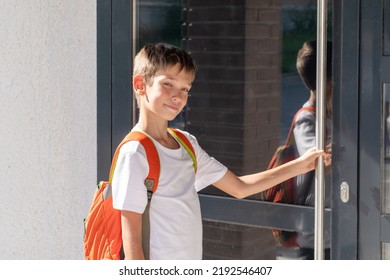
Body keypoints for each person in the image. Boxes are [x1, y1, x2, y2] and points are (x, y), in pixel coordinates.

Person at [111, 42, 327, 260]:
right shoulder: (135, 152)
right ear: (140, 85)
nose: (178, 95)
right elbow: (132, 243)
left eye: (185, 88)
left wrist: (303, 164)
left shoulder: (186, 143)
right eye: (168, 84)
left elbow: (240, 187)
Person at [293, 40, 332, 259]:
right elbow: (318, 163)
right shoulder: (307, 118)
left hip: (339, 226)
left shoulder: (334, 114)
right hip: (316, 235)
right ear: (326, 82)